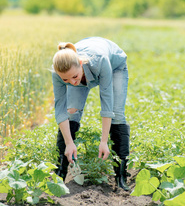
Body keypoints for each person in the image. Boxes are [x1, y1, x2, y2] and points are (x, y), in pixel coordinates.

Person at [52, 37, 130, 191]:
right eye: (65, 79)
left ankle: (121, 177)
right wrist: (69, 143)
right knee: (71, 112)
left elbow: (107, 104)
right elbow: (60, 109)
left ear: (81, 63)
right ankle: (60, 174)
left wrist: (103, 141)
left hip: (114, 67)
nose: (72, 83)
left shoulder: (100, 61)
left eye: (74, 77)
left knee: (117, 114)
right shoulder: (60, 73)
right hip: (84, 68)